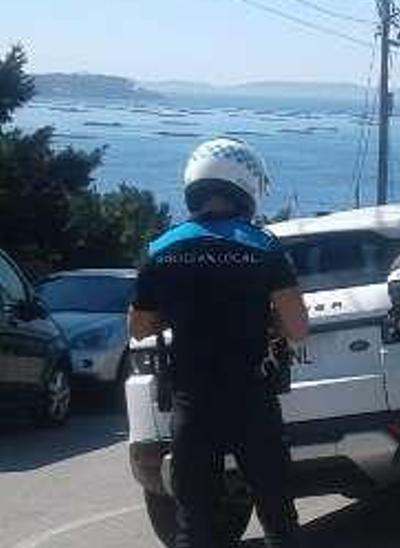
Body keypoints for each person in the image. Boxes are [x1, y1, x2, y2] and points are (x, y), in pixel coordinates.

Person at [128, 137, 309, 548]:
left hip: (192, 399)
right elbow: (298, 327)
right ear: (246, 186)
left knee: (196, 520)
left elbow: (139, 327)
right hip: (251, 395)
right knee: (278, 514)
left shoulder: (161, 249)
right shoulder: (263, 247)